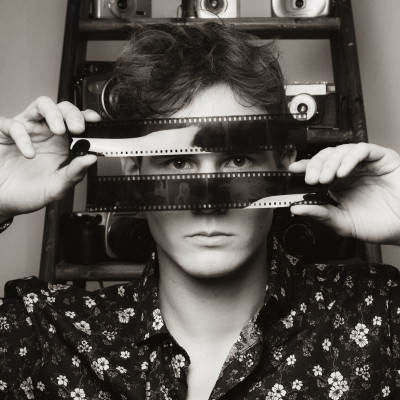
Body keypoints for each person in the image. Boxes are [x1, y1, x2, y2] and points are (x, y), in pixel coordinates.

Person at [1, 22, 400, 400]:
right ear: (134, 172)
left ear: (283, 166)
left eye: (239, 161)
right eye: (178, 163)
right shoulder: (44, 330)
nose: (209, 204)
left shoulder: (379, 314)